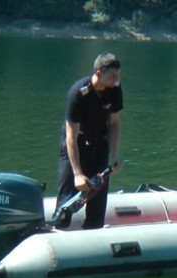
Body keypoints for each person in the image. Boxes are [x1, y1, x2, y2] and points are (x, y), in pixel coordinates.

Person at [54, 52, 123, 229]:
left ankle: (92, 232)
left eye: (118, 76)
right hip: (75, 145)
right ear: (99, 73)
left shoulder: (115, 90)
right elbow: (71, 136)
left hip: (99, 144)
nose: (116, 80)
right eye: (112, 76)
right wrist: (77, 174)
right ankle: (60, 227)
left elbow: (114, 123)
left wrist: (113, 155)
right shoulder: (78, 93)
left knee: (98, 200)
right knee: (66, 199)